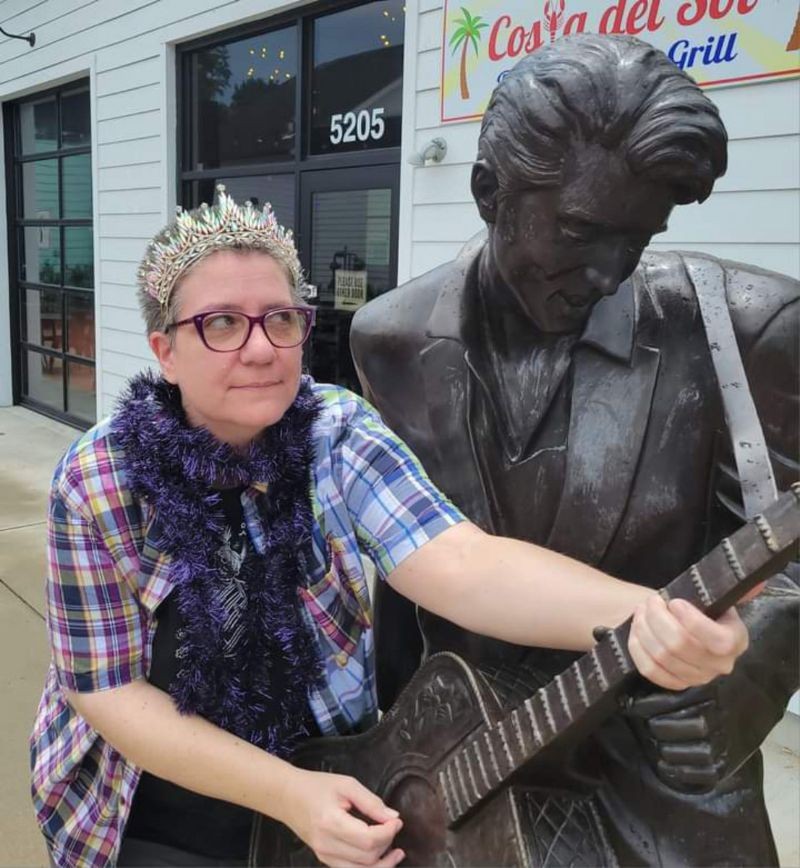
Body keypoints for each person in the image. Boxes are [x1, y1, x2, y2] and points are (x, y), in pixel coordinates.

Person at [29, 187, 749, 868]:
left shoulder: (334, 431)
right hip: (151, 807)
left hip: (329, 776)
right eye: (220, 323)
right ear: (164, 350)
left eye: (280, 319)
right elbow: (108, 692)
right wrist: (285, 794)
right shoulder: (98, 483)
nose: (260, 348)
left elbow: (460, 562)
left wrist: (646, 615)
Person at [351, 34, 799, 867]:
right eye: (580, 230)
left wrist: (760, 668)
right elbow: (401, 575)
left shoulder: (749, 328)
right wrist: (386, 754)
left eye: (639, 237)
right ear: (491, 191)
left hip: (655, 794)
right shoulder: (389, 340)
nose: (609, 273)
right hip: (456, 781)